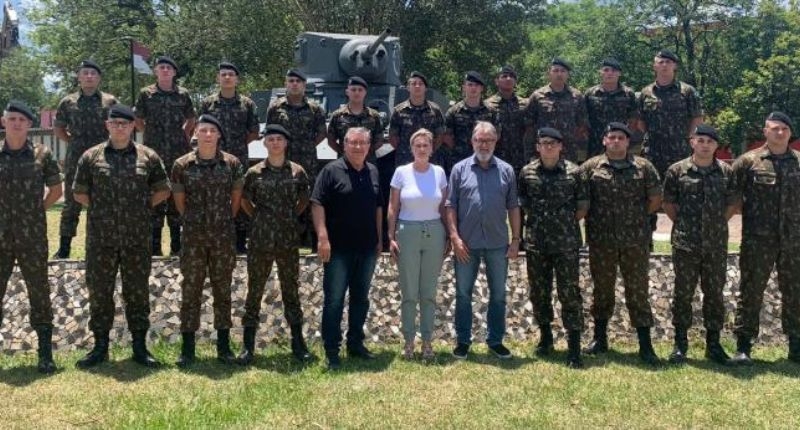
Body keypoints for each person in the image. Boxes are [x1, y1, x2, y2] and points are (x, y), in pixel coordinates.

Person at [73, 104, 171, 368]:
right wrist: (102, 209)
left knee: (137, 292)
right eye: (115, 123)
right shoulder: (91, 156)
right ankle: (100, 347)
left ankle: (139, 347)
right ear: (107, 125)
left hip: (136, 238)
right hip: (101, 239)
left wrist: (141, 207)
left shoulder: (148, 156)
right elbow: (79, 192)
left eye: (124, 124)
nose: (119, 127)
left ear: (132, 127)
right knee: (100, 291)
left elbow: (163, 189)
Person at [579, 122, 662, 365]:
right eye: (612, 137)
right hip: (601, 241)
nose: (616, 141)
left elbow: (655, 199)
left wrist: (635, 219)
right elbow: (582, 201)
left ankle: (645, 345)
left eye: (621, 138)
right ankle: (599, 339)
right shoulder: (591, 167)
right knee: (602, 290)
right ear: (604, 140)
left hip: (635, 241)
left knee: (638, 291)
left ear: (628, 142)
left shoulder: (643, 167)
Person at [171, 114, 243, 367]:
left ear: (219, 135)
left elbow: (236, 200)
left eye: (213, 130)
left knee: (223, 290)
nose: (208, 135)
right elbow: (180, 202)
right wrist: (195, 221)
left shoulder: (232, 163)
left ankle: (224, 347)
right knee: (191, 290)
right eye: (203, 130)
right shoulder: (182, 165)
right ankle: (187, 348)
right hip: (193, 238)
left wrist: (222, 220)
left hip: (223, 237)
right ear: (196, 134)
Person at [729, 112, 800, 365]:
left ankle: (796, 346)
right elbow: (733, 199)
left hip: (794, 241)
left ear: (790, 133)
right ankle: (743, 346)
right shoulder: (748, 162)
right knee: (751, 291)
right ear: (765, 131)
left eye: (784, 129)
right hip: (758, 240)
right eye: (775, 128)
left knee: (795, 292)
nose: (780, 133)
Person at [238, 125, 313, 365]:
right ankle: (248, 346)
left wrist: (289, 216)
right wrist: (260, 218)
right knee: (255, 288)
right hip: (260, 239)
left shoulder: (297, 172)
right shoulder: (254, 172)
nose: (275, 143)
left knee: (291, 288)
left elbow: (304, 199)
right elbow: (244, 200)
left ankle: (298, 343)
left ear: (286, 143)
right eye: (271, 139)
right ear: (265, 143)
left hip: (288, 239)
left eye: (279, 139)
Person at [446, 121, 521, 360]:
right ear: (472, 142)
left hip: (498, 243)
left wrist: (516, 239)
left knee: (498, 295)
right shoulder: (459, 169)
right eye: (480, 140)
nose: (484, 145)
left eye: (488, 140)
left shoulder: (507, 171)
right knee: (463, 294)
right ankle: (463, 341)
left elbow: (513, 206)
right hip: (466, 244)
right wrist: (454, 237)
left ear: (496, 141)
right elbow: (450, 206)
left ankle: (495, 340)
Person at [662, 124, 735, 364]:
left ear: (716, 145)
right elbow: (669, 204)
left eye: (710, 141)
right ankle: (680, 344)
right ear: (692, 142)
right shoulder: (677, 170)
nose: (705, 145)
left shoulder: (726, 172)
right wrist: (686, 224)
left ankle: (713, 345)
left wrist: (715, 224)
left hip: (715, 244)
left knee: (714, 293)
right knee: (683, 293)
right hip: (686, 243)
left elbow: (732, 205)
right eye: (700, 140)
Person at [311, 127, 382, 370]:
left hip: (366, 247)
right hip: (338, 249)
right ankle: (332, 350)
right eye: (353, 142)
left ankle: (355, 343)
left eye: (363, 143)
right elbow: (317, 203)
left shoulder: (373, 171)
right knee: (334, 300)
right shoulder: (331, 171)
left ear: (369, 145)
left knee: (361, 299)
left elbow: (378, 207)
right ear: (344, 144)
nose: (358, 147)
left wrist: (379, 238)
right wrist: (322, 237)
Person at [0, 101, 63, 373]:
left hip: (32, 237)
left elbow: (57, 190)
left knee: (39, 292)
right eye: (12, 118)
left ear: (29, 124)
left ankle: (45, 354)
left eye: (22, 120)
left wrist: (36, 211)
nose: (17, 123)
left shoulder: (42, 153)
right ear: (4, 121)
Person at [518, 127, 587, 368]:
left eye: (553, 143)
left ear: (561, 146)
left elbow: (582, 207)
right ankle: (546, 338)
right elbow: (523, 203)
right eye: (544, 143)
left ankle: (574, 347)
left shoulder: (575, 172)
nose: (548, 147)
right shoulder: (527, 172)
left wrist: (561, 223)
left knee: (569, 293)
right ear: (538, 147)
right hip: (537, 242)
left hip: (566, 243)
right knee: (539, 292)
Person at [387, 128, 448, 361]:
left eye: (426, 145)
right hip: (408, 232)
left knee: (429, 291)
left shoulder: (439, 172)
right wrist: (391, 236)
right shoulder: (401, 172)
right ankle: (409, 341)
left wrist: (449, 235)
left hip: (434, 231)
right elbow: (393, 207)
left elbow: (444, 206)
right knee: (409, 291)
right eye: (417, 145)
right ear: (411, 148)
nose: (422, 149)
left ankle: (428, 341)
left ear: (432, 148)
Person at [52, 60, 118, 259]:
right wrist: (73, 142)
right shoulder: (67, 102)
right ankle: (64, 249)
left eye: (93, 73)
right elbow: (59, 128)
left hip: (103, 158)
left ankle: (104, 247)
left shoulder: (110, 101)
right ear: (79, 77)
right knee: (71, 203)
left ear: (99, 78)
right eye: (85, 73)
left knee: (104, 202)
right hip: (76, 159)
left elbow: (118, 126)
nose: (89, 76)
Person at [135, 56, 196, 256]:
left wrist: (184, 133)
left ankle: (176, 244)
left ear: (174, 72)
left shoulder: (183, 94)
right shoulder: (146, 94)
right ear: (156, 71)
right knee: (155, 194)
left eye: (169, 68)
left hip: (178, 152)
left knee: (176, 195)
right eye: (161, 67)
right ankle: (155, 246)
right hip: (153, 153)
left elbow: (191, 118)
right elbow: (138, 118)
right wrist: (148, 134)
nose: (165, 70)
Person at [199, 62, 259, 254]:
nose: (227, 77)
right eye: (223, 74)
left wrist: (238, 144)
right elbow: (201, 129)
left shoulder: (247, 104)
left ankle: (240, 241)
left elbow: (254, 131)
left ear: (237, 79)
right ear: (218, 78)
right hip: (212, 158)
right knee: (213, 195)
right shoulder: (208, 103)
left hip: (238, 158)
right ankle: (213, 238)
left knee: (239, 195)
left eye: (231, 74)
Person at [266, 69, 326, 250]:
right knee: (283, 196)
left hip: (308, 161)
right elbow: (270, 132)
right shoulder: (276, 108)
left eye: (298, 81)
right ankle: (284, 238)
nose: (294, 84)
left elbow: (321, 133)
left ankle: (312, 239)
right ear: (286, 83)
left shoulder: (315, 109)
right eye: (291, 80)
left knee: (310, 197)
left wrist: (307, 146)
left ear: (304, 85)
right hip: (283, 160)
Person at [638, 49, 704, 177]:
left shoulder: (687, 91)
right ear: (655, 66)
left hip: (680, 151)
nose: (664, 65)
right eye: (661, 62)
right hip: (653, 152)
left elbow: (697, 119)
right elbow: (640, 122)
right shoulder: (646, 92)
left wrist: (688, 140)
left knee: (682, 185)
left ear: (675, 66)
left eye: (668, 62)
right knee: (652, 186)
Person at [526, 57, 588, 162]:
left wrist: (581, 153)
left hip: (569, 152)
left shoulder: (577, 96)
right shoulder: (537, 96)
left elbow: (582, 126)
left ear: (568, 74)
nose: (559, 74)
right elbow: (529, 127)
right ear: (549, 73)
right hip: (545, 150)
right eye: (555, 71)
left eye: (563, 71)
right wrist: (530, 153)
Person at [441, 71, 499, 176]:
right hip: (460, 161)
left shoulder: (491, 111)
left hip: (485, 160)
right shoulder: (454, 112)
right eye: (470, 85)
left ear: (481, 88)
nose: (473, 88)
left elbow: (497, 135)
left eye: (476, 85)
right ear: (464, 87)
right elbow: (447, 137)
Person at [389, 71, 446, 167]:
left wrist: (428, 151)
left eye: (420, 84)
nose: (417, 86)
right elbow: (393, 138)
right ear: (408, 87)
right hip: (405, 160)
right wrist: (405, 151)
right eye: (413, 83)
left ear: (425, 88)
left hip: (429, 160)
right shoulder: (399, 110)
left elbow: (440, 136)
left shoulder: (434, 110)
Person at [584, 58, 638, 158]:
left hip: (619, 142)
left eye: (613, 70)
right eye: (606, 70)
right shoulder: (591, 93)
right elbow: (583, 119)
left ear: (619, 73)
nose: (609, 73)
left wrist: (625, 137)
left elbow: (633, 120)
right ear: (600, 72)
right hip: (596, 143)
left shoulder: (628, 94)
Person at [485, 65, 532, 174]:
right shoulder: (487, 105)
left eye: (512, 76)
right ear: (497, 81)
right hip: (497, 160)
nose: (508, 78)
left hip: (522, 160)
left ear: (515, 81)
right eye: (504, 76)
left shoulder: (525, 104)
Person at [327, 76, 383, 157]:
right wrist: (345, 153)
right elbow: (331, 140)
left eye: (360, 90)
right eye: (353, 90)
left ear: (365, 92)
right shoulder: (337, 116)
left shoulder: (374, 116)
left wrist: (365, 153)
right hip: (345, 161)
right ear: (347, 92)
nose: (357, 93)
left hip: (367, 161)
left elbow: (379, 140)